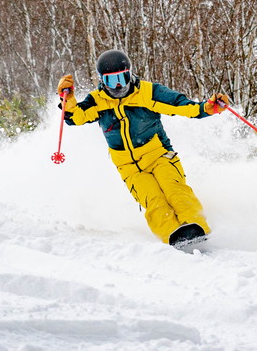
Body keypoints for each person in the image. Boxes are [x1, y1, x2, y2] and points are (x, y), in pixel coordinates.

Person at [57, 49, 229, 248]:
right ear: (102, 81)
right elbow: (75, 117)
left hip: (158, 154)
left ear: (130, 74)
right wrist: (67, 100)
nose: (119, 85)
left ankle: (199, 228)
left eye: (123, 77)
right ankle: (172, 235)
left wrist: (206, 108)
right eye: (112, 81)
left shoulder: (147, 92)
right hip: (128, 166)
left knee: (174, 190)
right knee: (153, 200)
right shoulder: (98, 100)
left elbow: (181, 105)